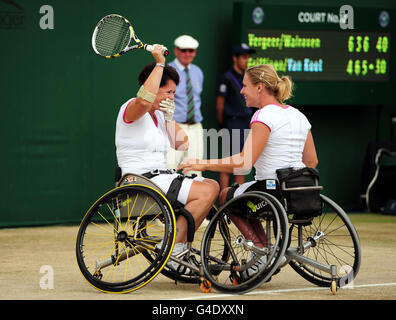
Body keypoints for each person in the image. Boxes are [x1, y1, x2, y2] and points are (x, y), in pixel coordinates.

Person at [178, 63, 318, 276]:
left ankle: (261, 250)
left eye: (245, 86)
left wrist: (202, 164)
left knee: (227, 195)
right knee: (243, 194)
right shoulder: (299, 115)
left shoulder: (263, 116)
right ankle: (265, 251)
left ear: (259, 87)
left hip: (273, 191)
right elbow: (312, 161)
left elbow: (244, 161)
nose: (242, 91)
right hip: (301, 191)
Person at [115, 44, 219, 274]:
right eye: (168, 92)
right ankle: (172, 248)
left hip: (160, 178)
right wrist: (160, 63)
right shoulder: (130, 109)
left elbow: (182, 144)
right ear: (150, 89)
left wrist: (169, 117)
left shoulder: (160, 117)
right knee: (206, 191)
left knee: (211, 185)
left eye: (174, 93)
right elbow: (143, 101)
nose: (172, 97)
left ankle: (176, 244)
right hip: (139, 181)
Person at [216, 43, 256, 191]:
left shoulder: (249, 77)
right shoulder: (226, 77)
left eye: (248, 57)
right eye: (244, 57)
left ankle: (237, 202)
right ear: (235, 58)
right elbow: (219, 105)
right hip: (232, 124)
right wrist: (223, 126)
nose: (247, 60)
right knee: (227, 166)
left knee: (242, 166)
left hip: (247, 123)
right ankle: (224, 205)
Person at [167, 35, 204, 177]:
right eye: (184, 50)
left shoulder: (198, 72)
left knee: (195, 169)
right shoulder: (168, 70)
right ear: (176, 51)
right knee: (170, 166)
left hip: (195, 126)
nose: (188, 54)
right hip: (175, 125)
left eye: (191, 50)